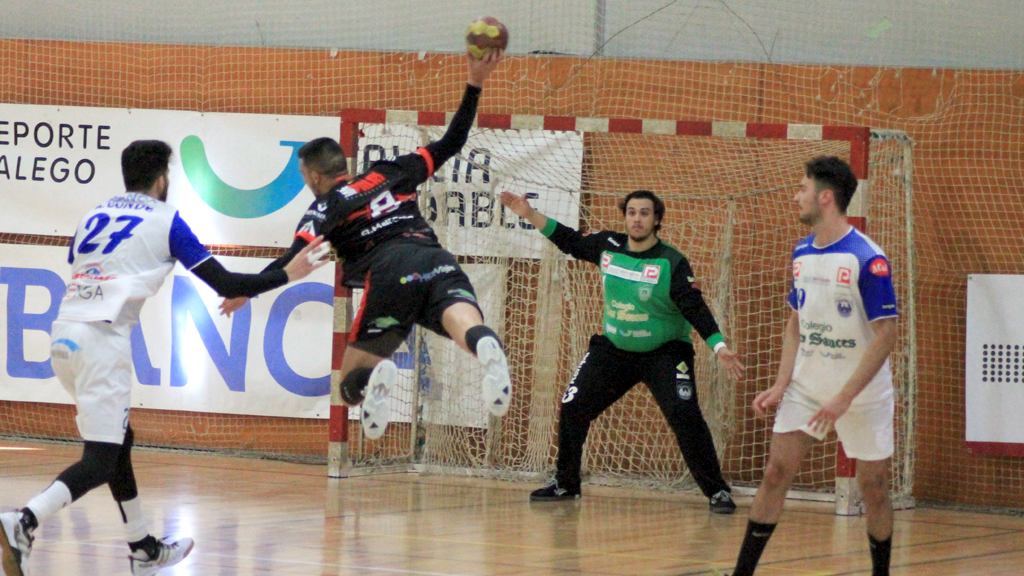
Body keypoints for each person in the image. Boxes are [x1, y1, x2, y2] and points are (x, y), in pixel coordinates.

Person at [0, 140, 328, 576]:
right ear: (162, 179)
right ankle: (24, 520)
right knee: (99, 458)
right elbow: (226, 281)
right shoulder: (166, 220)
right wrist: (290, 272)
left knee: (120, 443)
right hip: (103, 341)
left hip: (63, 336)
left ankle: (143, 549)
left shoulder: (92, 215)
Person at [219, 49, 509, 440]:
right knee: (467, 326)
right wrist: (475, 82)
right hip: (435, 257)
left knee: (348, 383)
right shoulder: (391, 171)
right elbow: (453, 141)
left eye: (304, 173)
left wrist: (244, 292)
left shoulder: (326, 207)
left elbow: (290, 262)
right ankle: (487, 346)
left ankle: (376, 376)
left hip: (389, 272)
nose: (305, 180)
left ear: (318, 176)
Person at [499, 189, 745, 513]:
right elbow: (569, 240)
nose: (637, 219)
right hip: (614, 351)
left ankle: (717, 492)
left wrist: (720, 347)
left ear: (656, 219)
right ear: (625, 216)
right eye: (632, 212)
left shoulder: (671, 261)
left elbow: (694, 307)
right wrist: (528, 213)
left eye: (645, 213)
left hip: (665, 353)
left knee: (684, 414)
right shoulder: (608, 246)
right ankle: (566, 484)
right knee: (573, 406)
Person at [722, 156, 899, 576]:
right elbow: (795, 325)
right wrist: (782, 384)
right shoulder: (801, 252)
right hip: (808, 389)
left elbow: (887, 334)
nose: (795, 196)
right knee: (775, 473)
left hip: (861, 394)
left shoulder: (866, 258)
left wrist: (844, 397)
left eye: (802, 188)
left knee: (873, 490)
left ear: (825, 197)